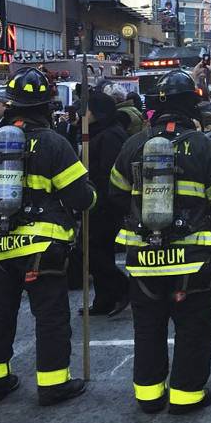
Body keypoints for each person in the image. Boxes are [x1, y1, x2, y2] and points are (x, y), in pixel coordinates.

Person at [0, 67, 95, 404]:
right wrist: (91, 194)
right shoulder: (54, 143)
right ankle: (53, 385)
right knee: (50, 317)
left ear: (11, 102)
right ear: (46, 105)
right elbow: (80, 198)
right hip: (42, 247)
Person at [108, 70, 211, 414]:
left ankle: (149, 397)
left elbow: (115, 194)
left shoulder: (133, 144)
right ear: (192, 108)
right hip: (192, 260)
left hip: (143, 258)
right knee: (192, 327)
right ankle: (187, 396)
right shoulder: (205, 147)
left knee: (148, 327)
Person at [78, 91, 130, 317]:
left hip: (105, 205)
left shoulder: (111, 135)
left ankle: (122, 288)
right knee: (97, 251)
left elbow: (110, 173)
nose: (84, 114)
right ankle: (103, 299)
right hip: (95, 202)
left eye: (87, 110)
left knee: (93, 251)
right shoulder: (99, 132)